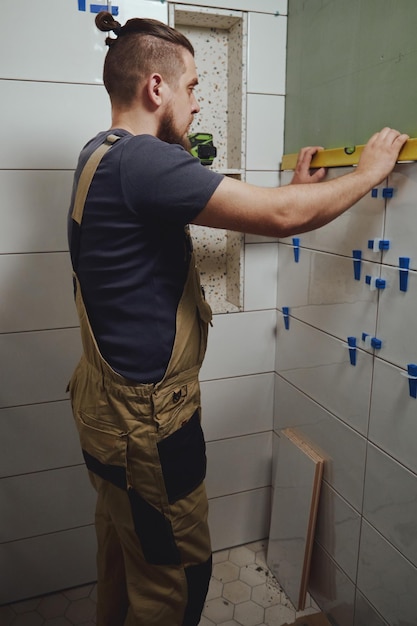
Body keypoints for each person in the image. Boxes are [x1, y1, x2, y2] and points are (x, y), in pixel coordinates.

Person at [66, 10, 408, 626]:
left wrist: (297, 187)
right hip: (146, 426)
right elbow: (278, 217)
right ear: (156, 88)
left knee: (126, 557)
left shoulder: (102, 155)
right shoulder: (142, 163)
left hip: (105, 414)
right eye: (193, 86)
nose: (198, 103)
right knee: (176, 579)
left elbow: (230, 199)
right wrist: (367, 174)